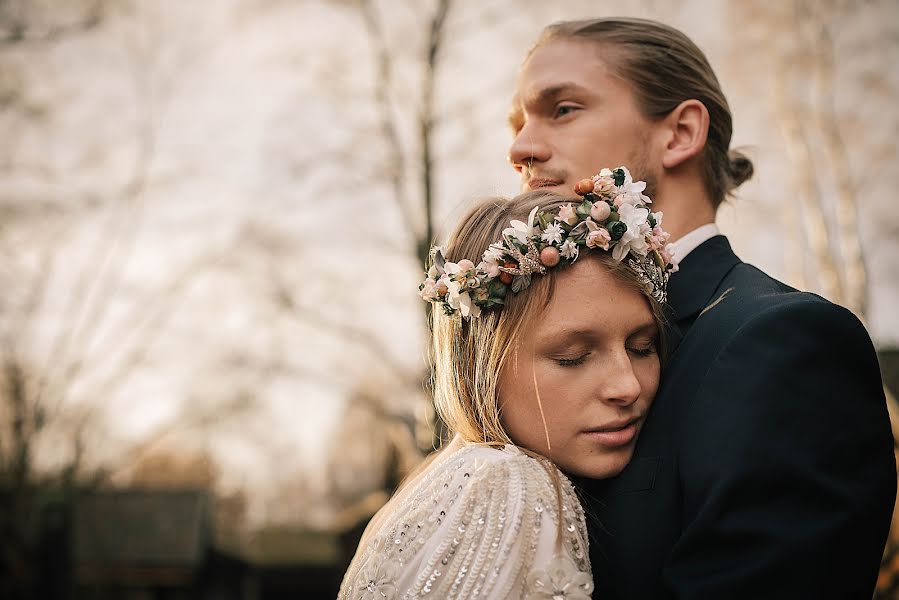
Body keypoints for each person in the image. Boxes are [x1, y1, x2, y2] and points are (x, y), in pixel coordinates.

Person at [506, 17, 896, 599]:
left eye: (562, 109)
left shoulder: (784, 344)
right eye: (517, 124)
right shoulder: (522, 346)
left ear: (680, 133)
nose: (520, 149)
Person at [338, 168, 677, 598]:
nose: (627, 386)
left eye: (642, 347)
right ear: (480, 364)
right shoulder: (510, 485)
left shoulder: (435, 483)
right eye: (570, 357)